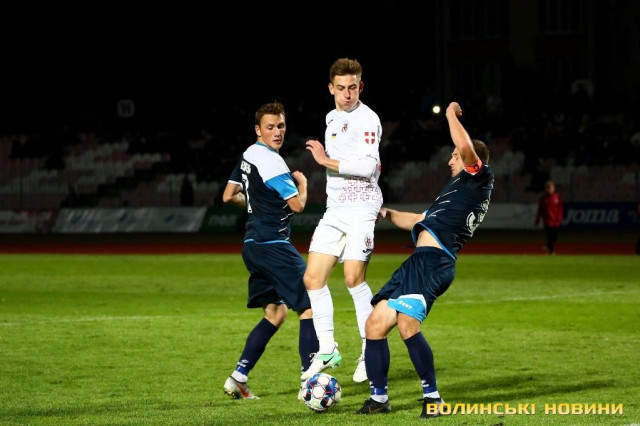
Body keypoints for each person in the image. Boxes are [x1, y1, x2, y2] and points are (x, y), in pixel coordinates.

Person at [355, 102, 494, 418]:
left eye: (455, 156)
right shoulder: (457, 191)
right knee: (375, 325)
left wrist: (449, 115)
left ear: (472, 160)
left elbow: (467, 148)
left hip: (434, 263)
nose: (450, 160)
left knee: (407, 324)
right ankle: (379, 399)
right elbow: (419, 219)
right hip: (418, 262)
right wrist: (388, 213)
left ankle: (433, 399)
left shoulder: (479, 179)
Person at [221, 101, 318, 400]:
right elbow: (298, 206)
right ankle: (310, 382)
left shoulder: (249, 154)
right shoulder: (274, 164)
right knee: (310, 305)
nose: (277, 132)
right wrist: (303, 184)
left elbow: (228, 195)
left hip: (252, 246)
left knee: (276, 314)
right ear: (258, 129)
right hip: (274, 245)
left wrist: (253, 205)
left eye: (281, 126)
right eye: (270, 127)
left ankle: (238, 378)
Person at [301, 58, 383, 384]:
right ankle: (328, 349)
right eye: (341, 88)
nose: (347, 94)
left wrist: (325, 160)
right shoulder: (331, 118)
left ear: (360, 87)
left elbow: (368, 167)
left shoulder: (368, 119)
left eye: (352, 87)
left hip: (361, 207)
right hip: (335, 210)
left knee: (352, 278)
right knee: (312, 278)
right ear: (331, 88)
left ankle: (369, 350)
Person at [534, 179, 564, 255]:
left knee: (555, 236)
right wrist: (537, 220)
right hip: (547, 221)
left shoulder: (557, 197)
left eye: (551, 188)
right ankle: (552, 251)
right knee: (550, 236)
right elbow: (540, 210)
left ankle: (547, 246)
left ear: (554, 188)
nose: (549, 190)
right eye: (548, 188)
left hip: (556, 221)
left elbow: (560, 207)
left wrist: (559, 216)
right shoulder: (543, 198)